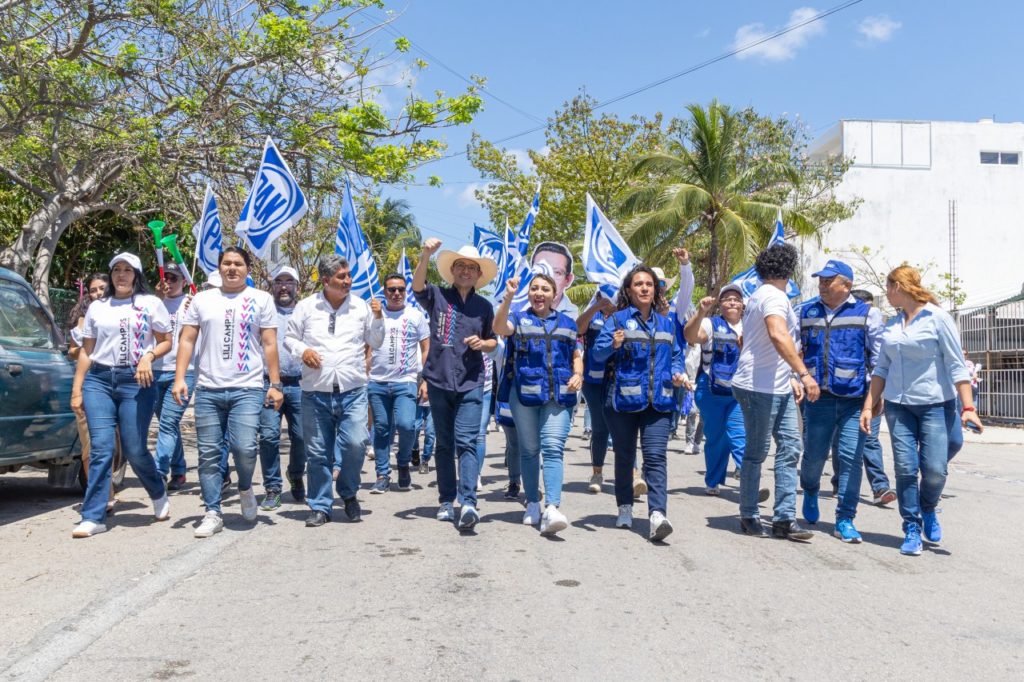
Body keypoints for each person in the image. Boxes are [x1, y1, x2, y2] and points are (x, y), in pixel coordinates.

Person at [860, 265, 983, 556]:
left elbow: (957, 365)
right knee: (905, 468)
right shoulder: (892, 324)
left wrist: (968, 407)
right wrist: (868, 406)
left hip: (934, 405)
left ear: (898, 287)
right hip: (898, 407)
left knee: (935, 470)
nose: (886, 294)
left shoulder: (938, 318)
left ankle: (928, 506)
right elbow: (881, 368)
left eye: (888, 288)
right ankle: (912, 527)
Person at [174, 246, 284, 538]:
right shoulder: (202, 299)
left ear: (247, 269)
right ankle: (212, 512)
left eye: (238, 263)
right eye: (226, 263)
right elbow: (187, 340)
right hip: (208, 388)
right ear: (219, 267)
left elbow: (269, 343)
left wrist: (275, 384)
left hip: (247, 388)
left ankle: (245, 487)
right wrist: (180, 378)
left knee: (245, 448)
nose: (232, 268)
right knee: (209, 454)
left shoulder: (261, 299)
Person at [69, 253, 173, 538]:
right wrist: (77, 389)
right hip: (99, 381)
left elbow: (166, 341)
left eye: (128, 270)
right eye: (117, 269)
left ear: (136, 275)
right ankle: (93, 516)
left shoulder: (150, 303)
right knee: (101, 448)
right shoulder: (97, 307)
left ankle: (157, 490)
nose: (122, 274)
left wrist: (148, 356)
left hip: (137, 382)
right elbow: (87, 350)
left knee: (134, 447)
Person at [285, 255, 384, 527]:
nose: (348, 280)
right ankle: (320, 505)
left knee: (356, 443)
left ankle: (348, 493)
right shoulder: (306, 307)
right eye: (342, 277)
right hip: (315, 391)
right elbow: (289, 338)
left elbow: (376, 341)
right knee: (318, 452)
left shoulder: (361, 306)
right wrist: (303, 351)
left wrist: (378, 318)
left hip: (352, 390)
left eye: (349, 275)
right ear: (326, 280)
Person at [730, 243, 819, 541]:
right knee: (757, 452)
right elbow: (777, 334)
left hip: (778, 385)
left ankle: (784, 519)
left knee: (791, 447)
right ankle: (749, 514)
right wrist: (804, 374)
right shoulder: (773, 297)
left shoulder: (761, 295)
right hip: (758, 387)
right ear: (790, 271)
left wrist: (789, 376)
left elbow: (749, 340)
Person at [592, 265, 687, 542]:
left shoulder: (667, 324)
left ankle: (657, 515)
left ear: (655, 290)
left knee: (656, 456)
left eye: (649, 284)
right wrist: (613, 345)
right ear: (629, 290)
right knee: (625, 455)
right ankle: (624, 507)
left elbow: (676, 356)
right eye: (638, 284)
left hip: (659, 401)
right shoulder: (617, 320)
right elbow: (597, 354)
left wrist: (678, 373)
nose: (645, 288)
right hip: (622, 401)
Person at [796, 260, 884, 543]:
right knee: (813, 457)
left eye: (828, 281)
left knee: (850, 459)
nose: (822, 285)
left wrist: (876, 397)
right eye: (820, 281)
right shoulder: (805, 312)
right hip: (817, 399)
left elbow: (879, 360)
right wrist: (798, 378)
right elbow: (794, 351)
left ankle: (845, 518)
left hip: (854, 401)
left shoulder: (868, 314)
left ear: (846, 285)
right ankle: (810, 489)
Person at [412, 239, 498, 532]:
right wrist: (425, 255)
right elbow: (418, 286)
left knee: (467, 441)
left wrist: (483, 344)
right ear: (452, 270)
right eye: (460, 266)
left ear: (478, 274)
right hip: (438, 380)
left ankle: (469, 502)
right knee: (444, 443)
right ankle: (446, 500)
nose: (465, 271)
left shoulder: (484, 306)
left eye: (471, 267)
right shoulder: (437, 296)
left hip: (471, 382)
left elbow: (493, 342)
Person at [493, 274, 583, 536]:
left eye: (545, 289)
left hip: (560, 395)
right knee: (530, 450)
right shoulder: (518, 318)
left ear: (555, 294)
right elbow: (499, 328)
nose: (539, 293)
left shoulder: (568, 323)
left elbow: (576, 354)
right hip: (524, 394)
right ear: (529, 293)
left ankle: (552, 507)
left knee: (553, 447)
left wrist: (578, 373)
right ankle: (532, 502)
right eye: (534, 289)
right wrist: (508, 297)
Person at [831, 289, 897, 507]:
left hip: (871, 392)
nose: (870, 313)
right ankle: (840, 481)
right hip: (846, 392)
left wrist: (880, 394)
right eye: (866, 308)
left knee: (869, 439)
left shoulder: (878, 333)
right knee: (842, 441)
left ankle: (880, 487)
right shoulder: (843, 329)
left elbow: (882, 362)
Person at [684, 283, 750, 496]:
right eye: (727, 299)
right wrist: (701, 312)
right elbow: (690, 336)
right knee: (716, 437)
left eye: (736, 299)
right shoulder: (710, 324)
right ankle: (713, 481)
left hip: (739, 391)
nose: (732, 302)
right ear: (720, 304)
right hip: (710, 390)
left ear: (742, 305)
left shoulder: (750, 326)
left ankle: (749, 481)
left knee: (738, 433)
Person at [367, 273, 429, 493]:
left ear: (406, 291)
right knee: (381, 429)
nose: (396, 293)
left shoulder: (415, 315)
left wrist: (425, 380)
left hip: (406, 382)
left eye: (401, 289)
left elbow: (426, 348)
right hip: (378, 382)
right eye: (391, 289)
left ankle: (403, 463)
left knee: (406, 425)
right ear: (384, 292)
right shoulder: (374, 314)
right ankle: (382, 474)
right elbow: (366, 346)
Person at [67, 273, 119, 507]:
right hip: (87, 386)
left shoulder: (120, 314)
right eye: (92, 290)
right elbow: (72, 351)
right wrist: (86, 350)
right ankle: (102, 497)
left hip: (113, 387)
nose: (97, 293)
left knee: (109, 445)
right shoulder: (81, 319)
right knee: (90, 447)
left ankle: (105, 494)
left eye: (101, 288)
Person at [257, 266, 306, 510]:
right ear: (273, 286)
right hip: (268, 384)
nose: (284, 286)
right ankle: (272, 488)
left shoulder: (306, 312)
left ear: (297, 286)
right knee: (268, 436)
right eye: (279, 282)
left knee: (302, 437)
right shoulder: (263, 312)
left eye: (289, 282)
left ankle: (295, 474)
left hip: (300, 383)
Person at [152, 263, 194, 491]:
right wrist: (156, 300)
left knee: (168, 422)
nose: (168, 282)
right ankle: (179, 470)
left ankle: (159, 472)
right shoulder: (152, 303)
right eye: (165, 277)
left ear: (184, 281)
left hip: (184, 372)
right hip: (155, 370)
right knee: (169, 423)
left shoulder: (192, 303)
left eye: (173, 278)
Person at [576, 294, 616, 493]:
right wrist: (595, 307)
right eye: (604, 296)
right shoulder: (593, 315)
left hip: (618, 380)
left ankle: (632, 475)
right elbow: (578, 329)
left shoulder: (625, 316)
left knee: (623, 429)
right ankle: (597, 473)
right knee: (600, 429)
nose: (608, 300)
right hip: (592, 381)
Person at [531, 241, 578, 317]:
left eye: (557, 272)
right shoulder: (513, 309)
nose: (547, 278)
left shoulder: (578, 318)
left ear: (568, 280)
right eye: (540, 269)